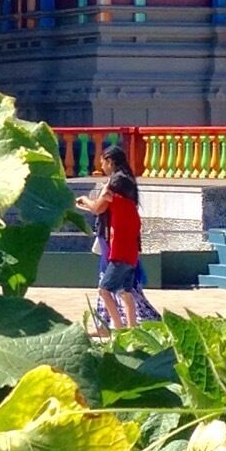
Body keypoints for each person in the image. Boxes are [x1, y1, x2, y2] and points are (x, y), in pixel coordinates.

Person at [83, 136, 145, 331]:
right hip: (131, 249)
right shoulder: (128, 183)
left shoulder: (115, 184)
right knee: (126, 293)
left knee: (104, 289)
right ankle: (132, 328)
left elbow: (98, 208)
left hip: (119, 249)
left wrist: (85, 201)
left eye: (103, 161)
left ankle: (117, 327)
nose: (101, 165)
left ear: (110, 161)